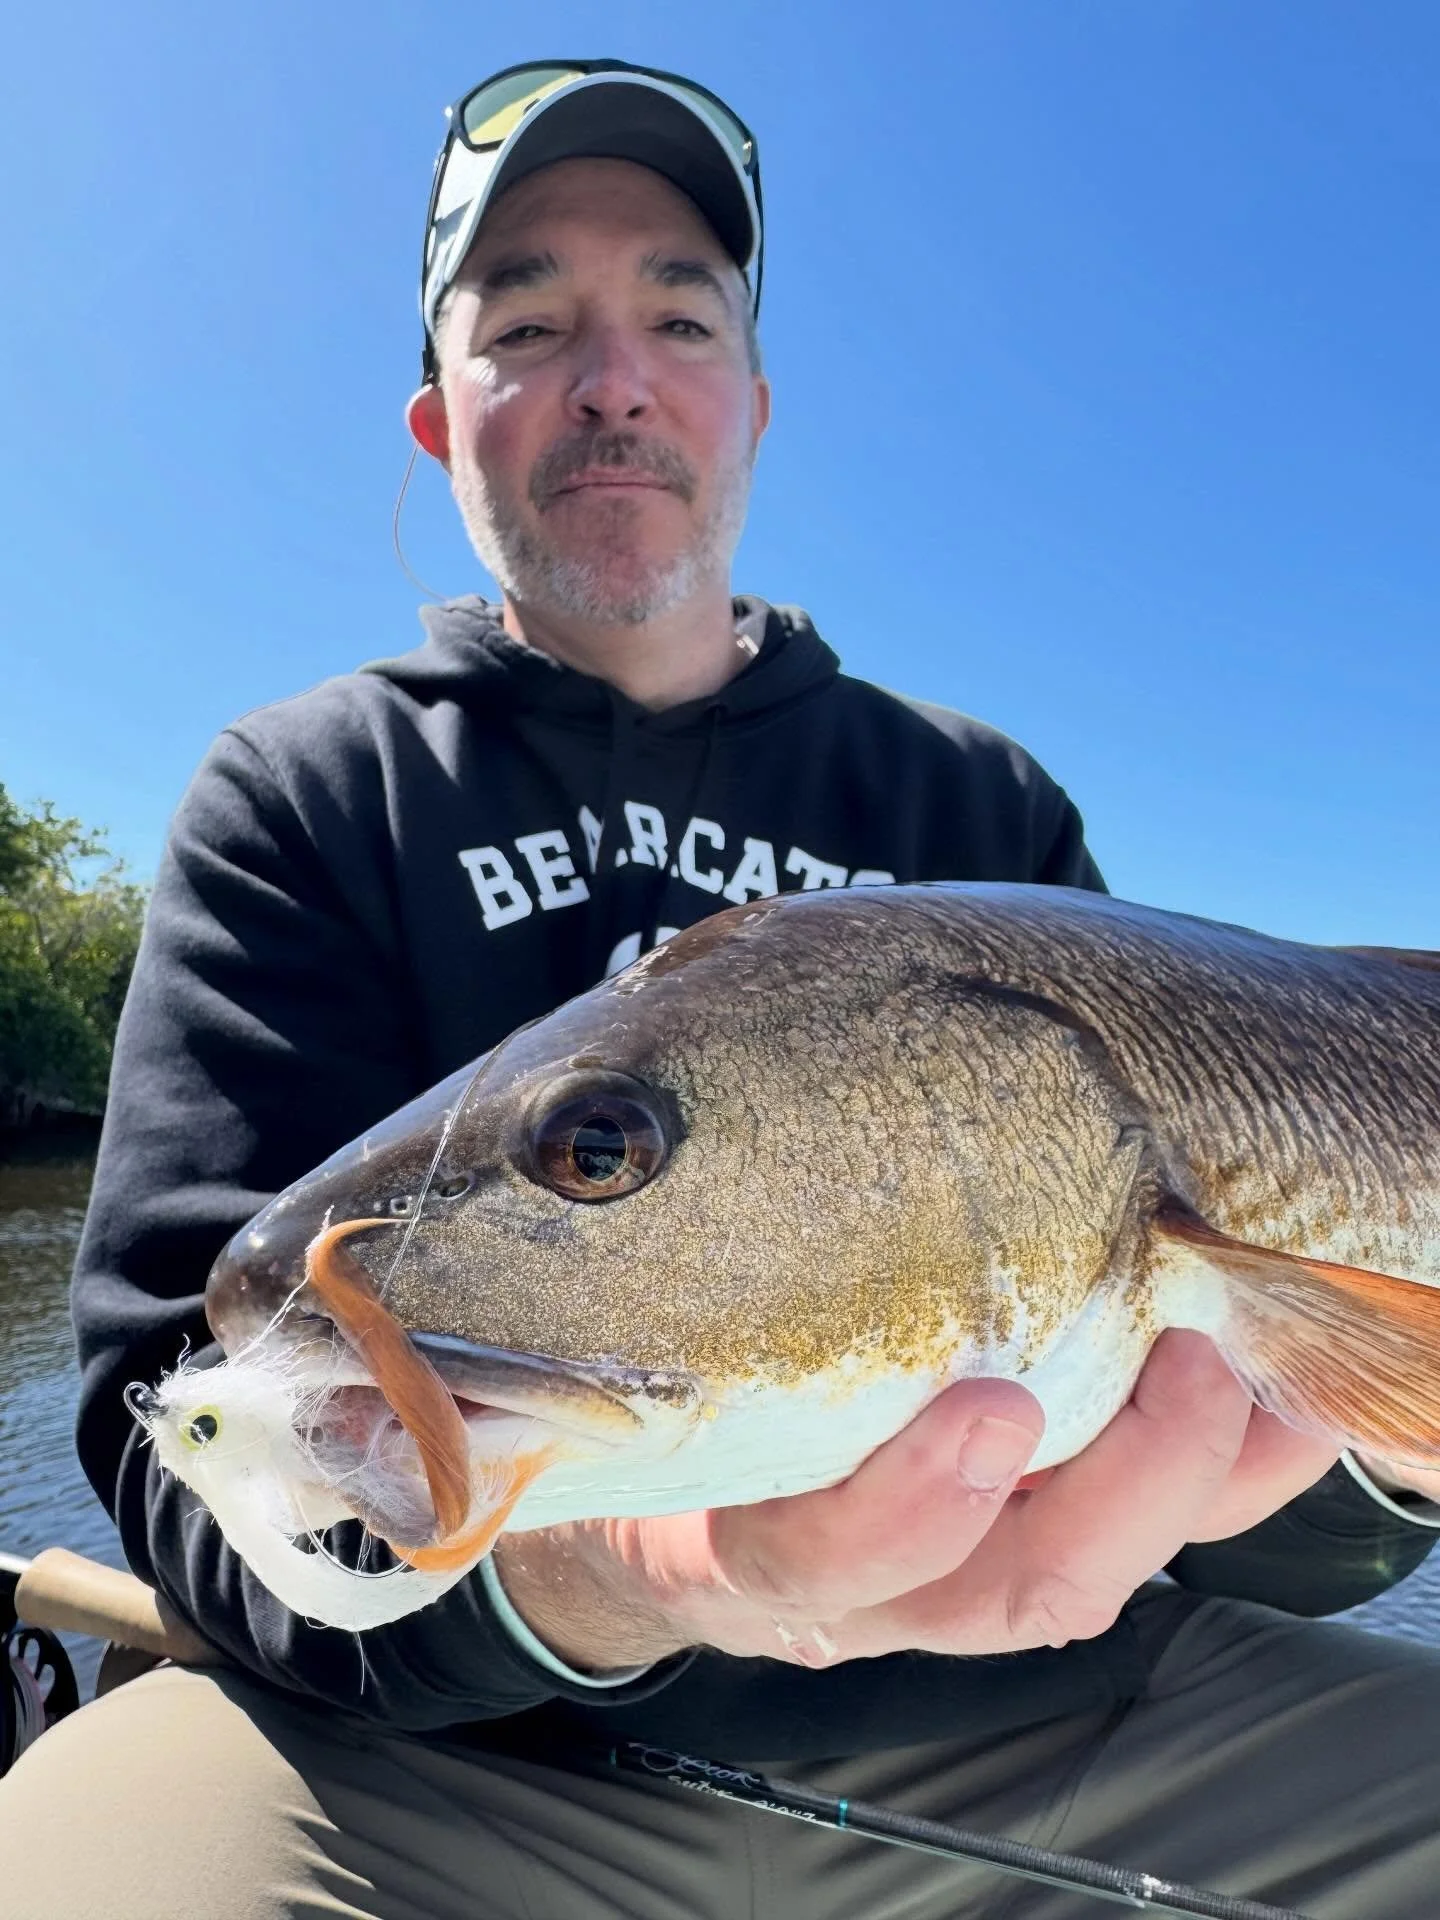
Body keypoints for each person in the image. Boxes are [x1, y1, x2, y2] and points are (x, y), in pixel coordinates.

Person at [3, 58, 1438, 1919]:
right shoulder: (304, 795)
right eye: (530, 322)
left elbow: (1282, 1537)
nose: (613, 377)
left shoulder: (979, 808)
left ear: (750, 406)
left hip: (1069, 1722)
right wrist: (612, 1579)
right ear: (446, 422)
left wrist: (1385, 1448)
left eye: (677, 315)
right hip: (447, 1776)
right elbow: (188, 1445)